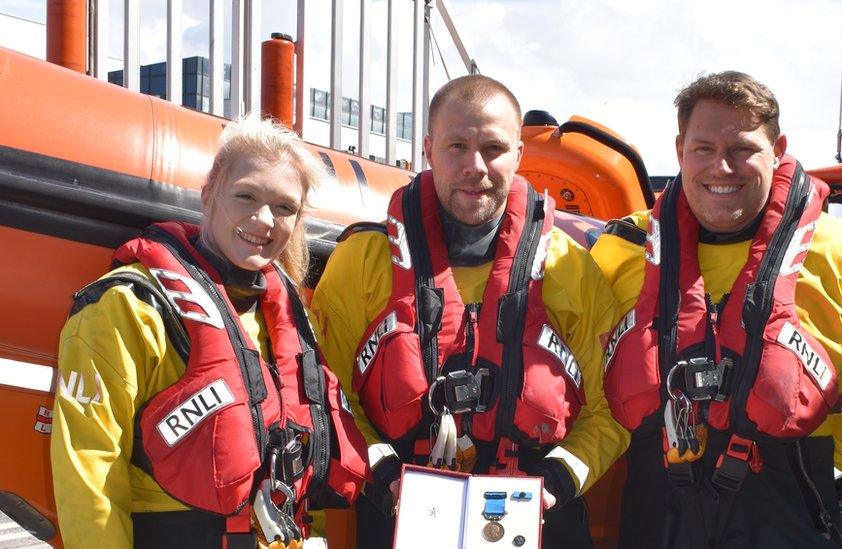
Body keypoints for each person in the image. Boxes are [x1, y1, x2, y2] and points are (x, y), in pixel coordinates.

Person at [593, 71, 842, 548]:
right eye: (703, 148)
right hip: (656, 505)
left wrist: (816, 471)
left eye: (743, 149)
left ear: (778, 148)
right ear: (680, 149)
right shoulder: (620, 251)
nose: (721, 168)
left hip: (786, 505)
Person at [310, 74, 629, 549]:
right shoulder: (361, 265)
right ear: (428, 148)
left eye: (494, 148)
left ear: (520, 155)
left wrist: (556, 483)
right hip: (401, 514)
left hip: (541, 518)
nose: (475, 167)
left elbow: (609, 409)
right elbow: (329, 397)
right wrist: (384, 474)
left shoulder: (569, 268)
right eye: (457, 146)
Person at [51, 115, 368, 549]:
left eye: (284, 207)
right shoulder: (129, 308)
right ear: (208, 194)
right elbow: (89, 470)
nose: (263, 220)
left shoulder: (292, 321)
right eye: (246, 196)